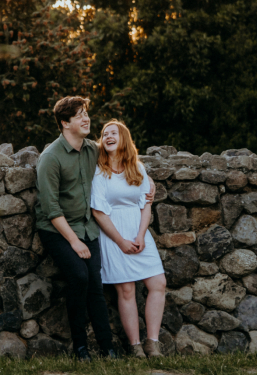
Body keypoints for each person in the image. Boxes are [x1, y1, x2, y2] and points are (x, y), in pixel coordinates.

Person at [34, 97, 154, 362]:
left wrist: (149, 182)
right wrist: (75, 243)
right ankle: (80, 348)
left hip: (87, 228)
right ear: (65, 123)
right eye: (79, 116)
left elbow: (123, 157)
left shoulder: (92, 150)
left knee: (95, 286)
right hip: (57, 230)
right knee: (79, 277)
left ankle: (107, 347)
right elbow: (51, 209)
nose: (86, 119)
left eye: (86, 114)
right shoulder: (50, 158)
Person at [90, 119, 166, 359]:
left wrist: (141, 235)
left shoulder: (138, 168)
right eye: (104, 134)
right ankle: (135, 347)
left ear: (124, 138)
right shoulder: (98, 170)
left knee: (158, 283)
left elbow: (146, 204)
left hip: (138, 230)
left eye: (114, 132)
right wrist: (121, 241)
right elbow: (98, 211)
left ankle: (153, 343)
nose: (109, 136)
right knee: (126, 290)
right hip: (113, 233)